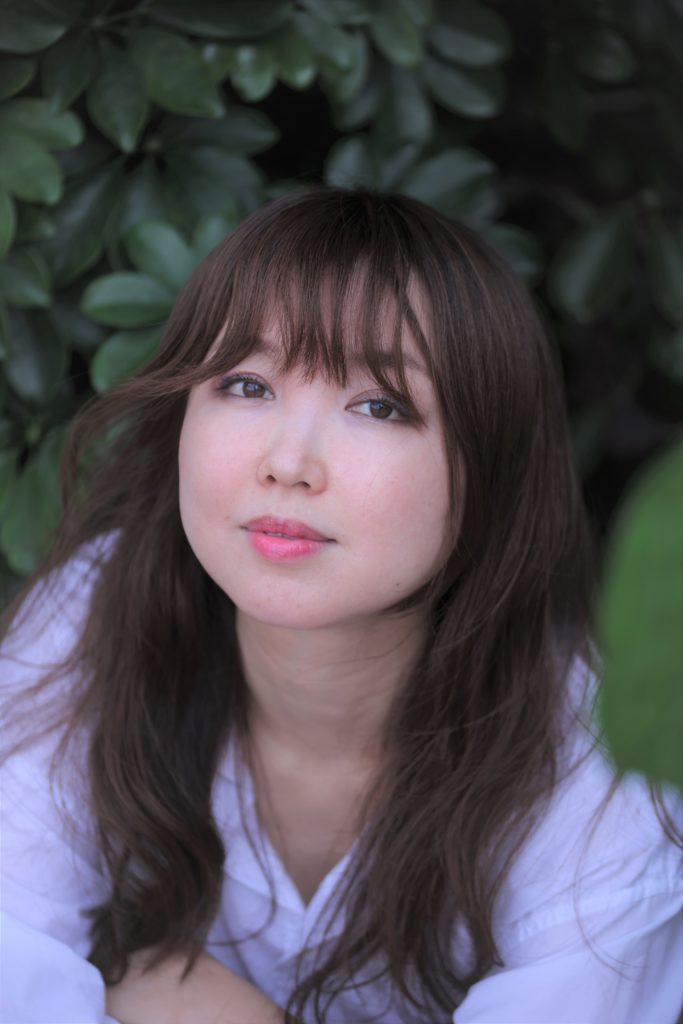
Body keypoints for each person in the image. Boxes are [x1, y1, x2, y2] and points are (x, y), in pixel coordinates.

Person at [0, 187, 681, 1024]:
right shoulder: (92, 612)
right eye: (246, 385)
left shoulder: (595, 763)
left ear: (488, 470)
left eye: (378, 405)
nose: (288, 462)